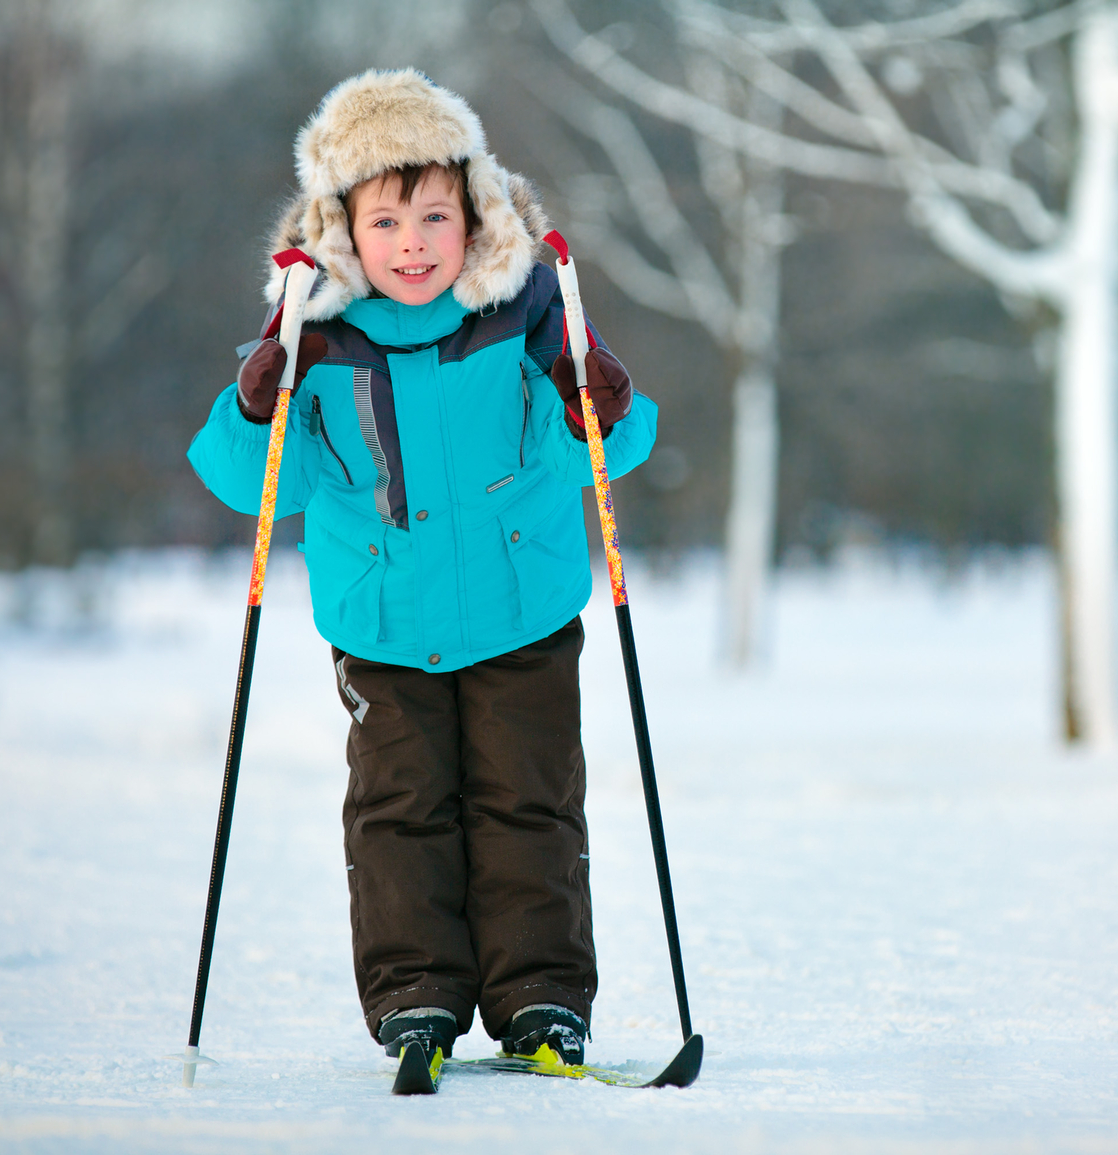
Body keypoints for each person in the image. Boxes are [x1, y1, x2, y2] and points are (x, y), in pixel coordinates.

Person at [187, 69, 656, 1067]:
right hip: (384, 622)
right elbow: (258, 486)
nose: (412, 242)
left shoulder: (530, 308)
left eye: (434, 216)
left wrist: (598, 406)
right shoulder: (314, 335)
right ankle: (417, 999)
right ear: (342, 229)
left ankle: (542, 1002)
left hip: (521, 610)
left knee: (527, 806)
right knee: (401, 817)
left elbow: (602, 457)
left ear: (474, 216)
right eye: (386, 219)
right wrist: (256, 404)